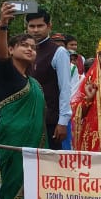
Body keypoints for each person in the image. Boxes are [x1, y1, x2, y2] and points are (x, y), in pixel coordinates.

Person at [0, 2, 46, 199]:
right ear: (12, 49)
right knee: (15, 196)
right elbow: (0, 55)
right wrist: (3, 26)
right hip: (13, 148)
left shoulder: (33, 83)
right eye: (23, 45)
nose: (29, 48)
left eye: (33, 46)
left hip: (34, 150)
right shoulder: (6, 74)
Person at [25, 8, 72, 149]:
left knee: (49, 165)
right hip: (25, 119)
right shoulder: (23, 50)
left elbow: (65, 88)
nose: (35, 30)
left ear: (49, 26)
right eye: (32, 26)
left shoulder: (58, 52)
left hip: (49, 120)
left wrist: (63, 121)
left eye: (40, 26)